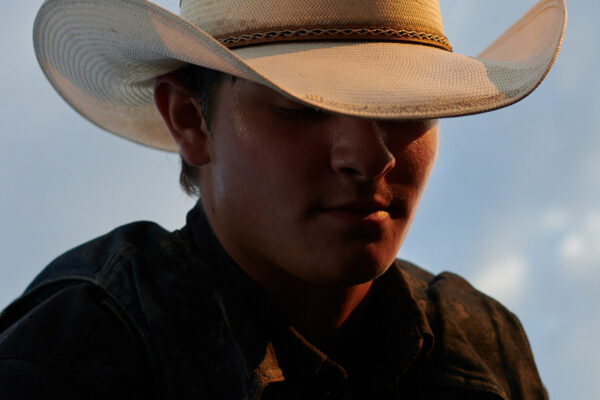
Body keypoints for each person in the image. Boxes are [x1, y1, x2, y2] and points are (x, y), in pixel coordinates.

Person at [0, 0, 566, 398]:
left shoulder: (483, 340)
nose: (369, 156)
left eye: (405, 103)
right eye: (302, 105)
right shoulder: (75, 352)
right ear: (189, 120)